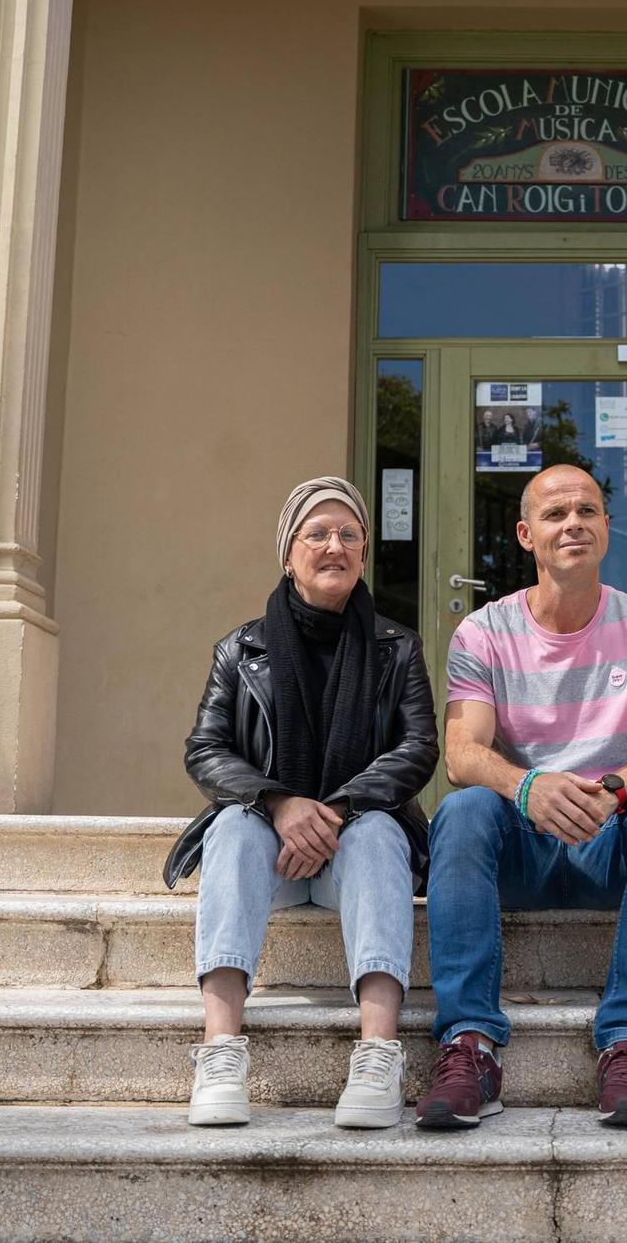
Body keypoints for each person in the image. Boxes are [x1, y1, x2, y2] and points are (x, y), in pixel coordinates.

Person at [417, 464, 627, 1131]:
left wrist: (613, 788)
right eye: (555, 513)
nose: (574, 522)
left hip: (608, 842)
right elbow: (460, 754)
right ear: (525, 534)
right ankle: (470, 1045)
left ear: (605, 527)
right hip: (523, 846)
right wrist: (526, 786)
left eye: (588, 510)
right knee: (463, 809)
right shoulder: (482, 633)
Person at [165, 476, 437, 1129]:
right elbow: (206, 748)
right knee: (231, 827)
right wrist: (280, 802)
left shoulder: (396, 649)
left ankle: (376, 1054)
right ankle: (221, 1051)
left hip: (351, 849)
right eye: (316, 533)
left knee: (379, 835)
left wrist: (337, 809)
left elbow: (418, 747)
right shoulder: (241, 648)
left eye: (348, 534)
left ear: (365, 553)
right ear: (288, 553)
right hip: (273, 855)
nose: (333, 545)